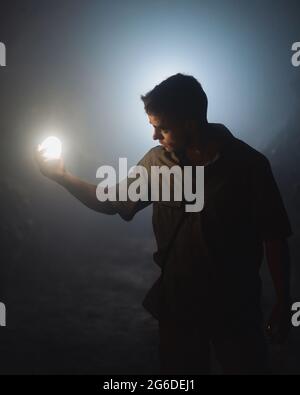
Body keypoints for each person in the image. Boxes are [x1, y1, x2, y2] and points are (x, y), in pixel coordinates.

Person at [34, 73, 293, 375]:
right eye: (153, 126)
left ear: (190, 124)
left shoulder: (249, 166)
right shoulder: (157, 163)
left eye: (162, 127)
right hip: (179, 308)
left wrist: (283, 302)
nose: (155, 136)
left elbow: (274, 237)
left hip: (235, 309)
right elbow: (109, 201)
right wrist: (62, 177)